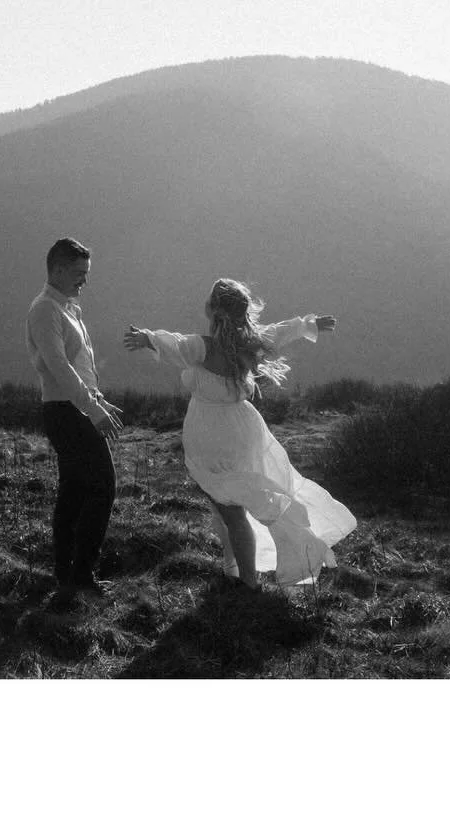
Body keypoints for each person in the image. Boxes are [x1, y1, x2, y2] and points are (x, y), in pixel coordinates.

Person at [122, 277, 355, 588]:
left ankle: (247, 582)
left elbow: (176, 344)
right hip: (243, 431)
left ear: (211, 309)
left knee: (230, 511)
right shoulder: (250, 344)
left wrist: (148, 338)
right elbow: (281, 331)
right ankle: (234, 570)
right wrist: (308, 324)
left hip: (210, 436)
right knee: (228, 505)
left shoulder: (203, 347)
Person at [26, 236, 123, 610]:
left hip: (73, 407)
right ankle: (80, 574)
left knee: (74, 491)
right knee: (103, 486)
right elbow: (59, 368)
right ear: (60, 269)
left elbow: (80, 367)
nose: (84, 281)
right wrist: (94, 410)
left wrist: (98, 400)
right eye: (80, 273)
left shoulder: (67, 307)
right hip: (66, 412)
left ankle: (66, 572)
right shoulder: (45, 310)